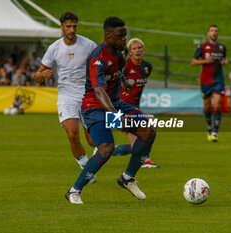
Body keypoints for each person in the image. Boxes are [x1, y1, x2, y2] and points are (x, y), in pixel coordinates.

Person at [65, 16, 157, 204]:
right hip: (95, 108)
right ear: (108, 35)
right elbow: (99, 91)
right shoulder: (98, 58)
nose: (125, 39)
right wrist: (115, 116)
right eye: (120, 36)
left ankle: (127, 178)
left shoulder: (121, 52)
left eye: (125, 35)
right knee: (106, 148)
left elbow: (117, 72)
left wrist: (123, 82)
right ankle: (74, 191)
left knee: (148, 130)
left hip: (116, 103)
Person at [34, 12, 97, 180]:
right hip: (66, 95)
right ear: (61, 27)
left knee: (92, 140)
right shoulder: (54, 48)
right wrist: (42, 75)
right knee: (72, 134)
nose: (72, 30)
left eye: (74, 26)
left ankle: (99, 154)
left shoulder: (88, 45)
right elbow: (36, 75)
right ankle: (86, 169)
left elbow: (101, 61)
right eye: (68, 26)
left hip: (87, 95)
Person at [111, 38, 161, 168]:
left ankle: (110, 150)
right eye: (134, 48)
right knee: (148, 125)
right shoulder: (125, 67)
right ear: (130, 52)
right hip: (122, 106)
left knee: (140, 139)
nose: (137, 50)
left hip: (134, 106)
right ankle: (145, 160)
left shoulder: (147, 67)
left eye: (140, 48)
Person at [191, 24, 227, 142]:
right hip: (206, 80)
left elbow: (224, 59)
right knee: (207, 107)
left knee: (217, 105)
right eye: (211, 31)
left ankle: (215, 132)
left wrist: (224, 62)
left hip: (218, 80)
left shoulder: (222, 47)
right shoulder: (202, 46)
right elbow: (193, 62)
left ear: (218, 33)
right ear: (208, 33)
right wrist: (206, 61)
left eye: (216, 31)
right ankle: (209, 127)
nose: (214, 33)